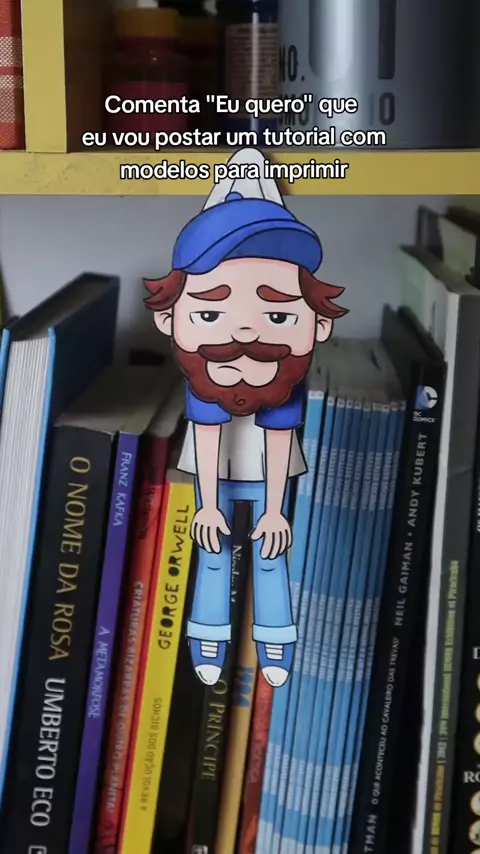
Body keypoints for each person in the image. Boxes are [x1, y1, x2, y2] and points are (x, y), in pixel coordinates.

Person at [144, 148, 348, 687]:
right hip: (215, 471)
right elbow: (207, 436)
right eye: (211, 311)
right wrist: (209, 505)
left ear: (318, 324)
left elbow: (279, 439)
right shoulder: (209, 376)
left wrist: (276, 510)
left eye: (277, 313)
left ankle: (275, 638)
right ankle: (207, 636)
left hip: (265, 473)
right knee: (211, 549)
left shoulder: (279, 379)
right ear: (169, 318)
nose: (243, 331)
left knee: (271, 550)